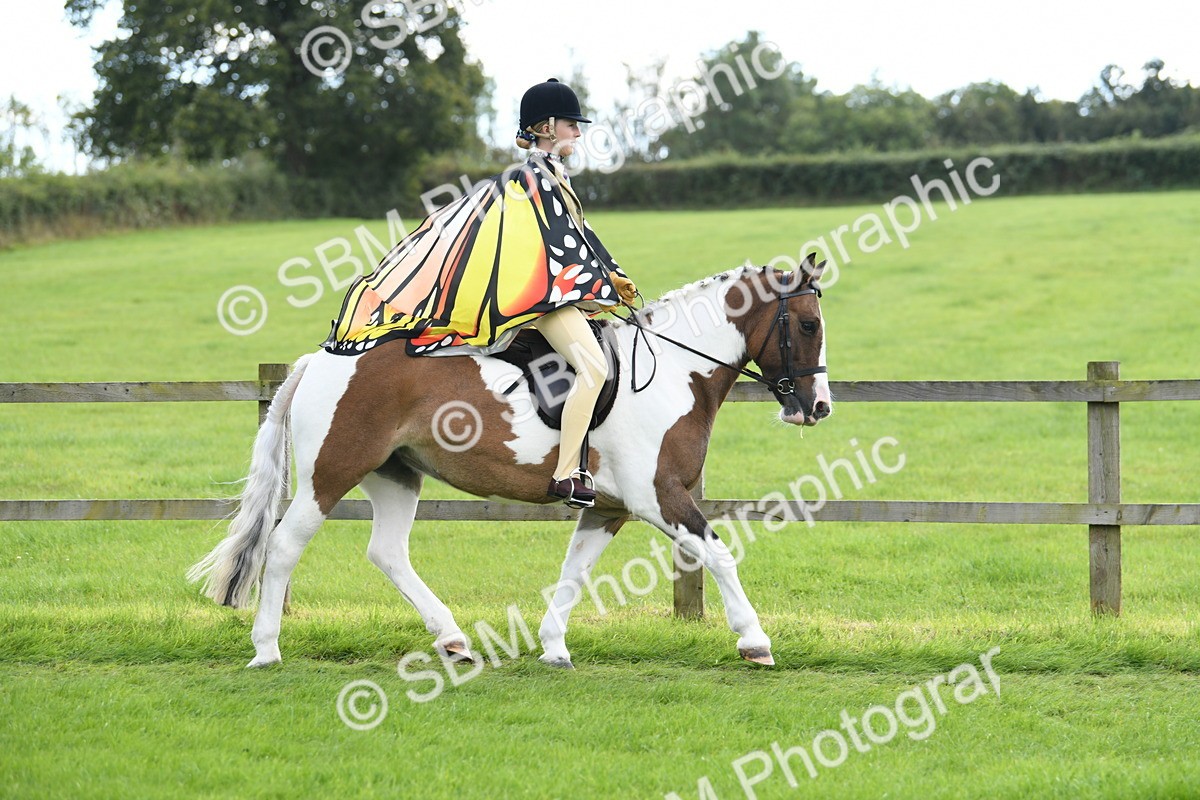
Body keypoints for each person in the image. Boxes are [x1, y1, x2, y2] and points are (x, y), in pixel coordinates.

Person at [323, 78, 638, 508]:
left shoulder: (549, 175)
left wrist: (612, 275)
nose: (578, 133)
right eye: (570, 124)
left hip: (552, 291)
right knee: (595, 367)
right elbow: (556, 243)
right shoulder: (535, 178)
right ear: (547, 127)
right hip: (542, 298)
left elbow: (579, 236)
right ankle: (567, 473)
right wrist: (597, 280)